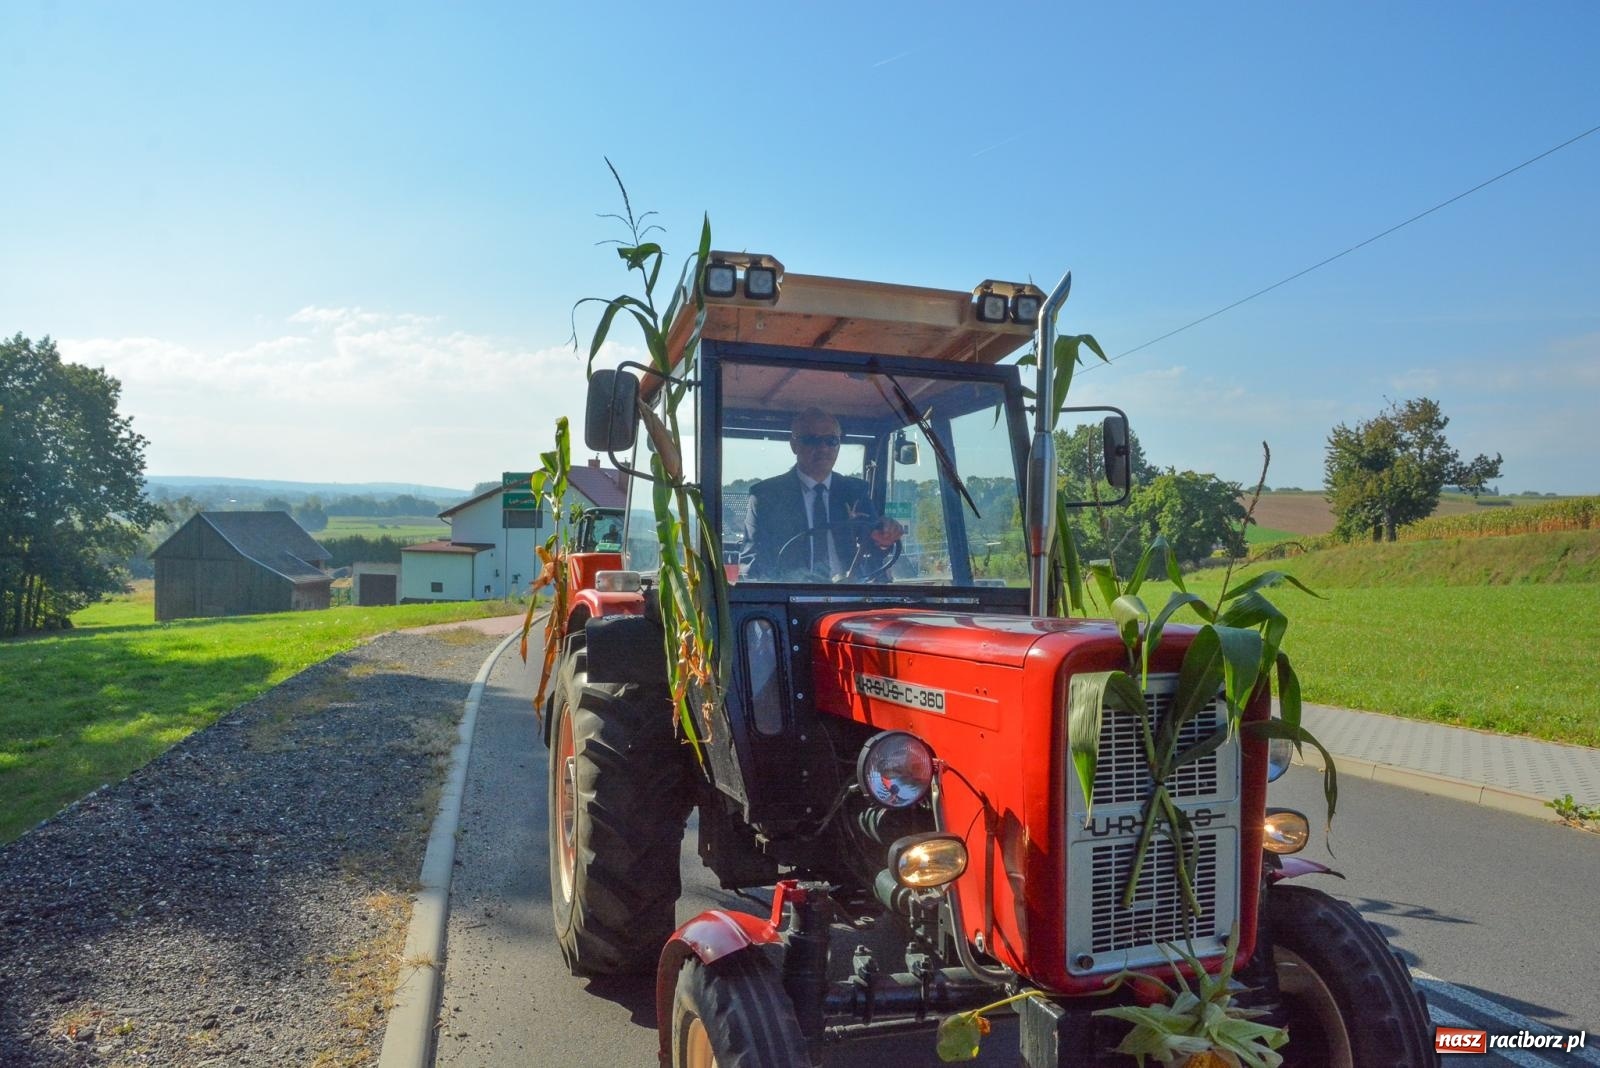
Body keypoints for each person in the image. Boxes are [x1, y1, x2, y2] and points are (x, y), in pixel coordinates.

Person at [742, 408, 903, 581]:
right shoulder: (765, 497)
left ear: (838, 444)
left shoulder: (856, 491)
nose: (823, 448)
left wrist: (885, 537)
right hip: (790, 598)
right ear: (794, 445)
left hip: (851, 596)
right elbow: (754, 563)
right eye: (811, 440)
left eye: (831, 440)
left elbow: (873, 545)